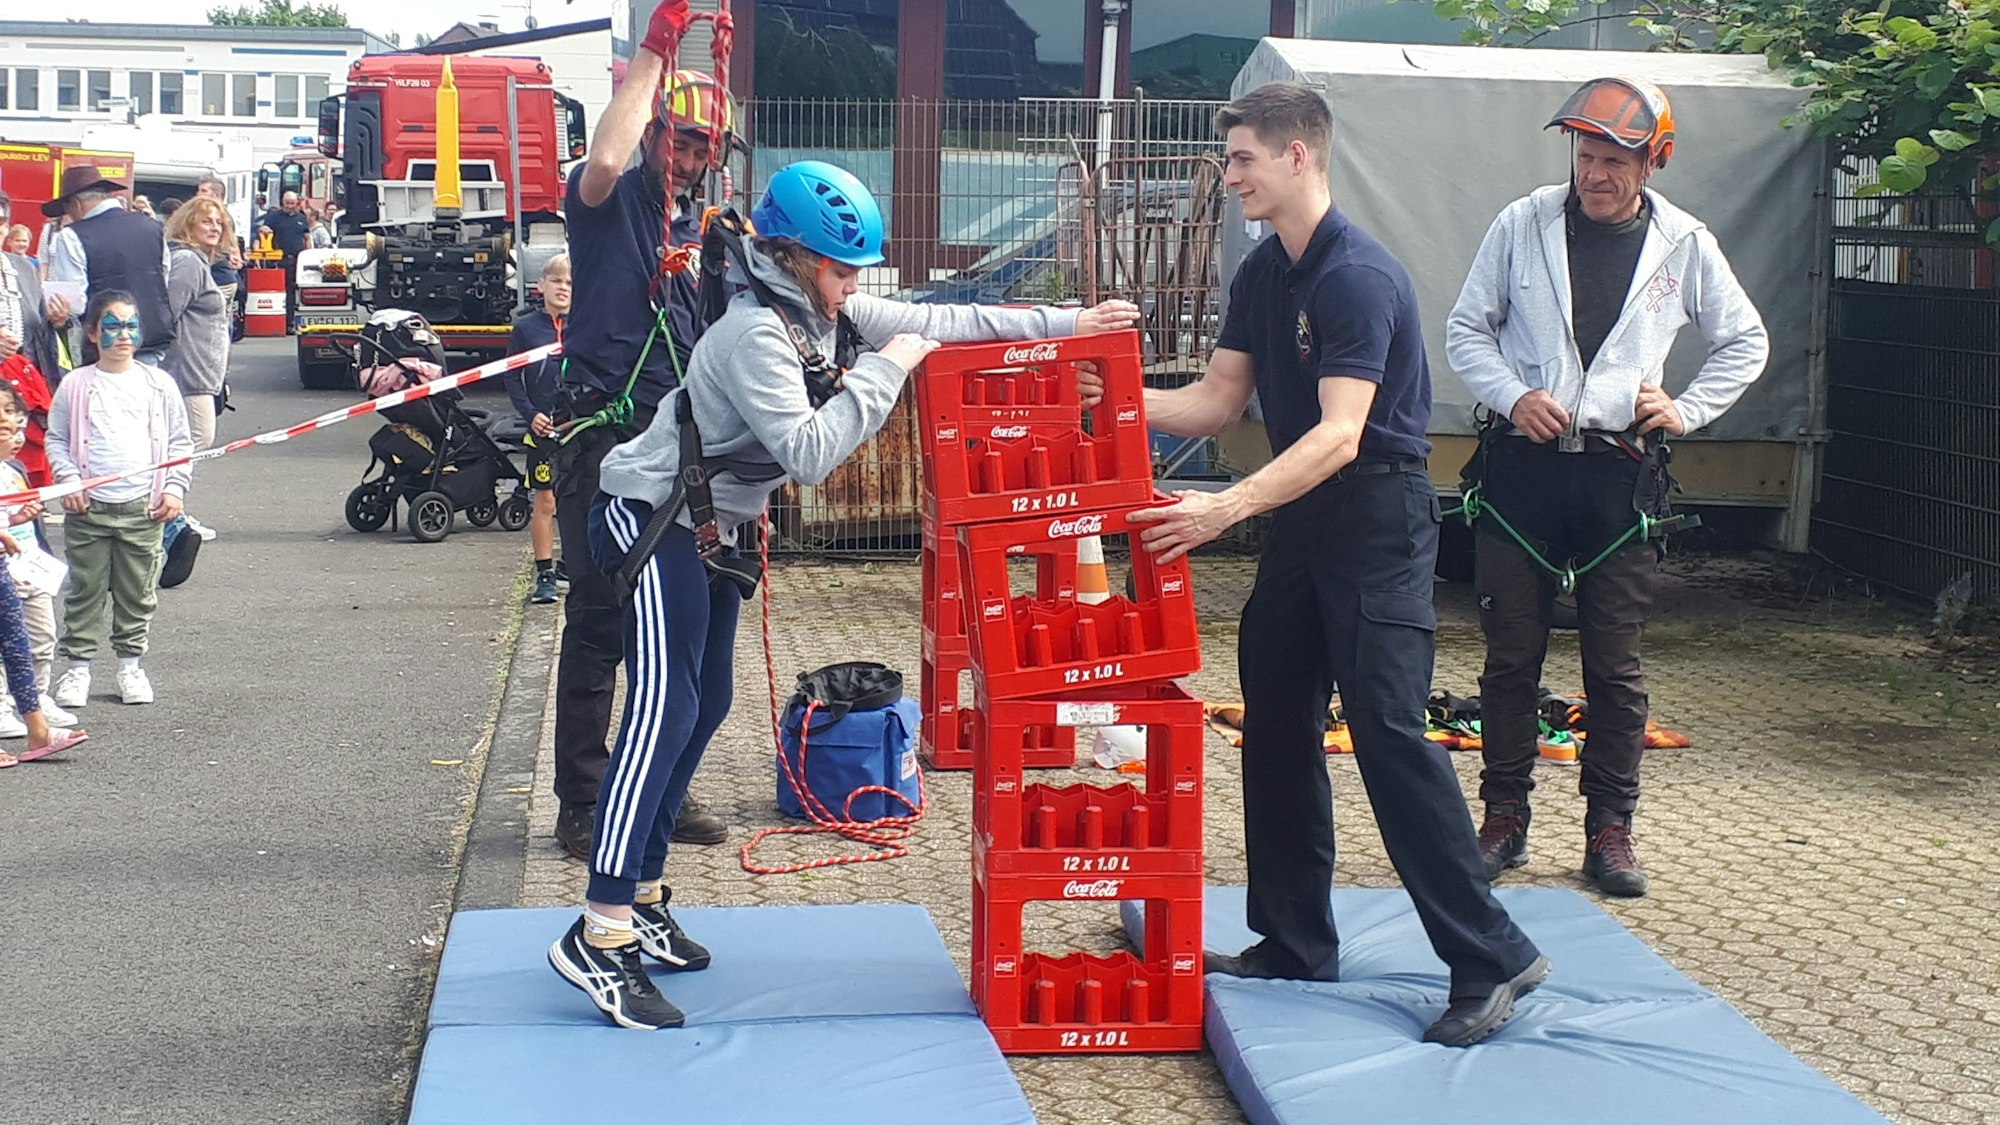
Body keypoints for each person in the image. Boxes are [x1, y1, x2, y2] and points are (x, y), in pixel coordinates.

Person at [546, 156, 1141, 1030]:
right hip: (648, 517)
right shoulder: (756, 332)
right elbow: (813, 453)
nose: (852, 284)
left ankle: (641, 893)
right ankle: (597, 932)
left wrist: (1071, 319)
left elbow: (952, 316)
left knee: (708, 703)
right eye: (838, 267)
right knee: (663, 708)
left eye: (856, 269)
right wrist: (890, 367)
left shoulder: (824, 314)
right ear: (790, 257)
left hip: (713, 525)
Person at [1127, 82, 1547, 1047]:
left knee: (1389, 732)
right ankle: (1294, 939)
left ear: (1297, 156)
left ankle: (1492, 954)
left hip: (1377, 518)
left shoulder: (1357, 276)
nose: (1228, 176)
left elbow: (1343, 434)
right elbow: (1215, 400)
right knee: (1275, 719)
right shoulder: (1264, 270)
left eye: (1240, 159)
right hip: (1301, 518)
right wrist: (1100, 389)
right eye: (1228, 160)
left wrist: (1225, 506)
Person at [1445, 78, 1769, 898]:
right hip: (1521, 471)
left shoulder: (1684, 242)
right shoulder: (1521, 223)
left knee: (1614, 669)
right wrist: (1513, 394)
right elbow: (1464, 328)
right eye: (1586, 156)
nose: (1596, 174)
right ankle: (1503, 818)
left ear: (1653, 161)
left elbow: (1744, 340)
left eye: (1614, 161)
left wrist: (1686, 408)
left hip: (1619, 480)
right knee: (1509, 658)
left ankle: (1610, 832)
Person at [549, 2, 732, 863]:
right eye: (681, 143)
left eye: (703, 150)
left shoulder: (704, 231)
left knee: (678, 629)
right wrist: (658, 51)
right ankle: (583, 800)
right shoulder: (611, 204)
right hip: (603, 436)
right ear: (659, 134)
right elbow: (608, 153)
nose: (690, 160)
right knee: (599, 620)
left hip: (679, 451)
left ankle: (654, 778)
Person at [46, 291, 194, 708]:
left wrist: (173, 488)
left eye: (131, 325)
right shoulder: (76, 385)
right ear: (93, 334)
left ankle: (131, 665)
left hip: (142, 511)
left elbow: (181, 443)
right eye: (112, 326)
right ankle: (77, 669)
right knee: (85, 589)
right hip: (88, 510)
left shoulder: (158, 384)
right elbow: (57, 440)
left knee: (138, 590)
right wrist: (69, 481)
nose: (123, 334)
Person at [0, 409, 88, 767]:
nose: (14, 435)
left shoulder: (10, 471)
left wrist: (15, 520)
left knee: (17, 644)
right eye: (4, 429)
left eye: (14, 427)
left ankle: (38, 730)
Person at [44, 165, 177, 366]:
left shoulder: (72, 236)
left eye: (67, 210)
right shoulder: (152, 227)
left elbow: (73, 303)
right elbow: (163, 279)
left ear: (76, 204)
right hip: (150, 338)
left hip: (103, 347)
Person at [161, 194, 234, 551]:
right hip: (187, 373)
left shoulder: (199, 263)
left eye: (219, 222)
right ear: (188, 222)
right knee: (191, 441)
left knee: (189, 443)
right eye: (207, 221)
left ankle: (171, 513)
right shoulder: (187, 262)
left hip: (201, 372)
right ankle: (170, 517)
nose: (215, 227)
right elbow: (168, 313)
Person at [507, 253, 570, 606]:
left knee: (578, 502)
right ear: (541, 285)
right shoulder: (526, 329)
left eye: (570, 283)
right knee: (545, 501)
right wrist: (530, 414)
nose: (563, 288)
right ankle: (544, 574)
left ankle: (573, 567)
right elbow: (512, 377)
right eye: (557, 281)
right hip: (542, 432)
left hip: (578, 430)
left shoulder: (585, 324)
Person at [255, 191, 311, 330]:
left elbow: (307, 237)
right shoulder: (274, 217)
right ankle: (277, 321)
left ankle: (290, 322)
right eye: (287, 203)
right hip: (278, 259)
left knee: (292, 291)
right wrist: (264, 230)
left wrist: (309, 254)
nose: (290, 206)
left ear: (296, 203)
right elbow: (262, 230)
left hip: (297, 259)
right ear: (282, 202)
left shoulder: (301, 217)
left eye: (293, 203)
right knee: (281, 291)